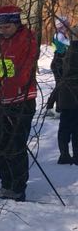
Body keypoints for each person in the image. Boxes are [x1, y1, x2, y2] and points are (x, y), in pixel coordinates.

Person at [0, 4, 39, 201]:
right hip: (2, 100)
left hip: (22, 100)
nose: (2, 31)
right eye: (0, 28)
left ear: (16, 23)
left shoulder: (27, 38)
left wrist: (9, 84)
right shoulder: (1, 42)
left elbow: (24, 69)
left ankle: (18, 188)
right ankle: (6, 185)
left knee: (16, 145)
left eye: (7, 27)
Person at [51, 27, 78, 164]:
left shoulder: (64, 54)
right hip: (73, 97)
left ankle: (64, 154)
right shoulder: (70, 53)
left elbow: (57, 72)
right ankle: (73, 156)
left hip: (65, 97)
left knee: (65, 127)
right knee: (75, 128)